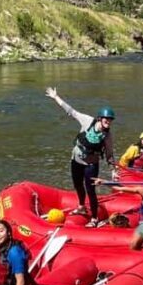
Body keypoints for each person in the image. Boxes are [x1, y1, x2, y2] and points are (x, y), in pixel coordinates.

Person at [46, 87, 116, 223]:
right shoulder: (87, 121)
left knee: (90, 190)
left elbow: (109, 154)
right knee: (78, 184)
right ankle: (82, 206)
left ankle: (94, 218)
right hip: (76, 159)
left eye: (110, 120)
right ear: (100, 118)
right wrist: (55, 97)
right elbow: (71, 111)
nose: (108, 122)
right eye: (106, 119)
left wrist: (113, 170)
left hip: (91, 164)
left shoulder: (107, 135)